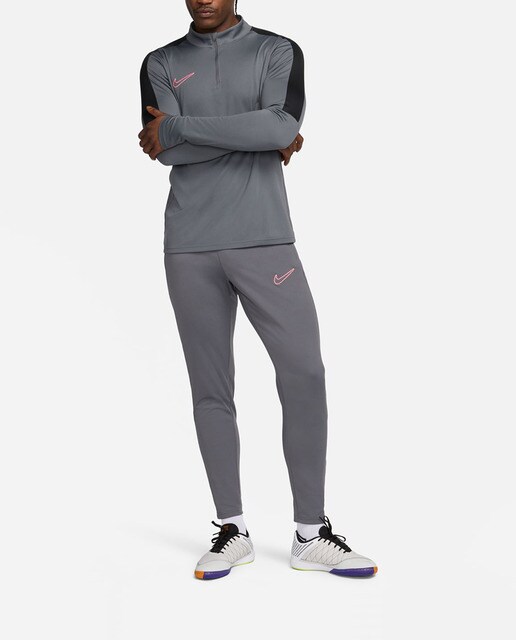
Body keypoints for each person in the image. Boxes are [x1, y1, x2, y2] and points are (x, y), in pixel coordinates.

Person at [138, 0, 378, 580]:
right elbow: (164, 151)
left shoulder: (276, 51)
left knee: (304, 373)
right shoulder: (160, 62)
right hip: (189, 244)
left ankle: (310, 534)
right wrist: (255, 134)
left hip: (265, 239)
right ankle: (232, 530)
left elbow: (277, 128)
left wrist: (183, 126)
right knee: (210, 387)